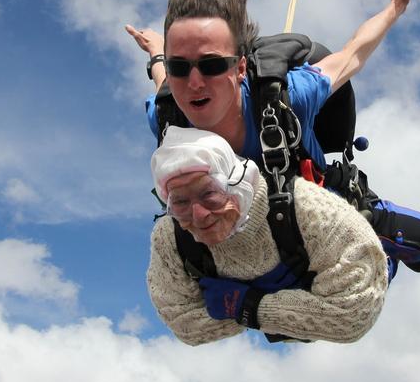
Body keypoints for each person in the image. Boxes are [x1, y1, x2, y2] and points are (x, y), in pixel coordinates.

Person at [127, 0, 420, 270]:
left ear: (239, 69)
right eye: (180, 67)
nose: (193, 83)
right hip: (249, 238)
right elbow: (162, 77)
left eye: (210, 66)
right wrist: (157, 53)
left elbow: (353, 54)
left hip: (330, 214)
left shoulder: (288, 98)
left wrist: (395, 6)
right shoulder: (168, 116)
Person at [147, 125, 389, 344]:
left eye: (209, 194)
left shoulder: (310, 209)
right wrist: (300, 308)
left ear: (238, 184)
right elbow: (185, 326)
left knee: (406, 240)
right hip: (312, 284)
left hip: (364, 253)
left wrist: (248, 306)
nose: (198, 215)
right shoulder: (171, 237)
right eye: (179, 202)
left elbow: (354, 315)